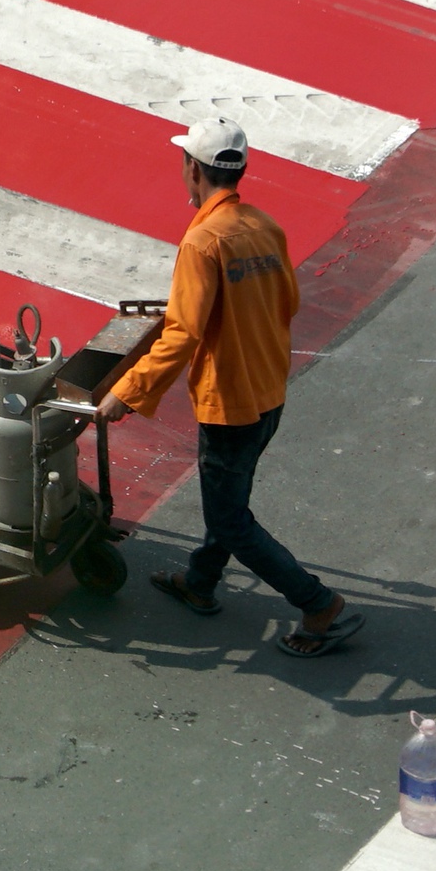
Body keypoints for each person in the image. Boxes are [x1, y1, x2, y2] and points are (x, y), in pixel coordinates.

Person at [97, 117, 358, 656]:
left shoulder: (203, 241)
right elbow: (287, 303)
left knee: (232, 521)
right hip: (269, 392)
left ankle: (316, 604)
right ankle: (199, 582)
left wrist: (127, 391)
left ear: (193, 168)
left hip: (230, 404)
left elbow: (184, 332)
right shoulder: (263, 226)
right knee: (229, 501)